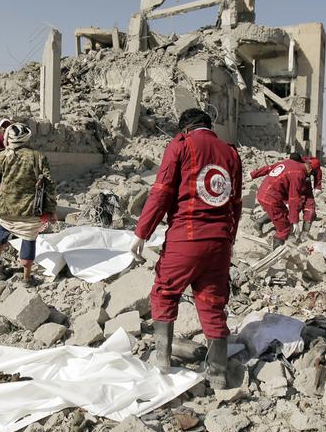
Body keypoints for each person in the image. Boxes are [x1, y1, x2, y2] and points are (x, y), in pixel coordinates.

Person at [129, 108, 242, 389]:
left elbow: (162, 192)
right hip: (219, 242)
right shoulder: (230, 153)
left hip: (186, 236)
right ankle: (217, 375)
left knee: (165, 292)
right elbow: (236, 203)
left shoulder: (180, 145)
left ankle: (163, 360)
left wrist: (142, 232)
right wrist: (229, 240)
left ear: (185, 129)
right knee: (213, 303)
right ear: (209, 126)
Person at [0, 123, 57, 286]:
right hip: (30, 210)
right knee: (28, 238)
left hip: (5, 208)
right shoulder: (38, 157)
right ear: (27, 138)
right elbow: (50, 184)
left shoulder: (1, 156)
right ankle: (26, 278)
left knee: (1, 230)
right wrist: (51, 209)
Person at [250, 153, 316, 247]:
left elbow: (268, 168)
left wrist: (253, 175)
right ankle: (277, 253)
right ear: (309, 168)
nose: (309, 176)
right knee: (284, 228)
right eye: (310, 173)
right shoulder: (299, 174)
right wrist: (295, 221)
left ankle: (260, 223)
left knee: (284, 213)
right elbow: (294, 198)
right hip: (271, 198)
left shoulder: (287, 163)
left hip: (263, 192)